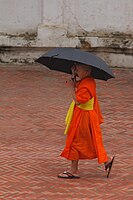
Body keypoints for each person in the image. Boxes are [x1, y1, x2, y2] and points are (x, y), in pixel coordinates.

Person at [58, 63, 115, 179]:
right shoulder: (87, 81)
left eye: (79, 70)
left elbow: (78, 101)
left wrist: (70, 88)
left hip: (84, 117)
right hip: (84, 115)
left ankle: (73, 170)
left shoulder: (87, 85)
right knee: (91, 142)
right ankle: (107, 160)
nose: (77, 72)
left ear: (87, 72)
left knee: (75, 141)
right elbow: (77, 85)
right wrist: (73, 75)